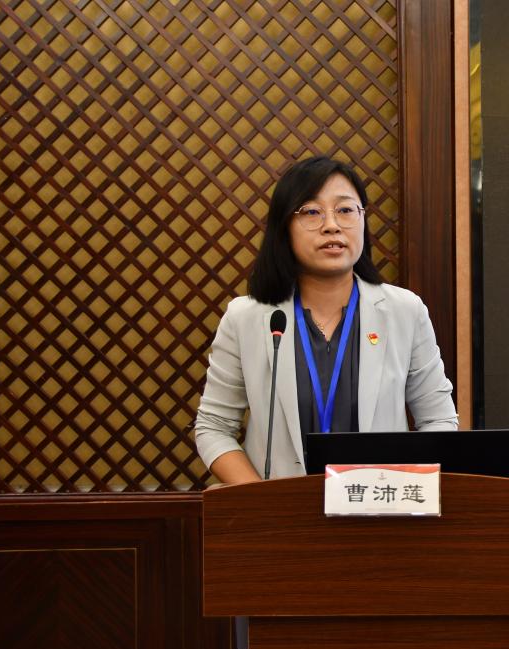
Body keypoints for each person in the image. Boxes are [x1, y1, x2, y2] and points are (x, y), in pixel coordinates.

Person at [195, 155, 458, 484]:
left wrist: (402, 486)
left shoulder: (404, 311)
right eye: (311, 212)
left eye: (345, 210)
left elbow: (439, 421)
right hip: (282, 507)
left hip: (379, 506)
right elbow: (214, 427)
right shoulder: (246, 317)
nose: (331, 225)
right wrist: (260, 498)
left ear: (363, 220)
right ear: (284, 227)